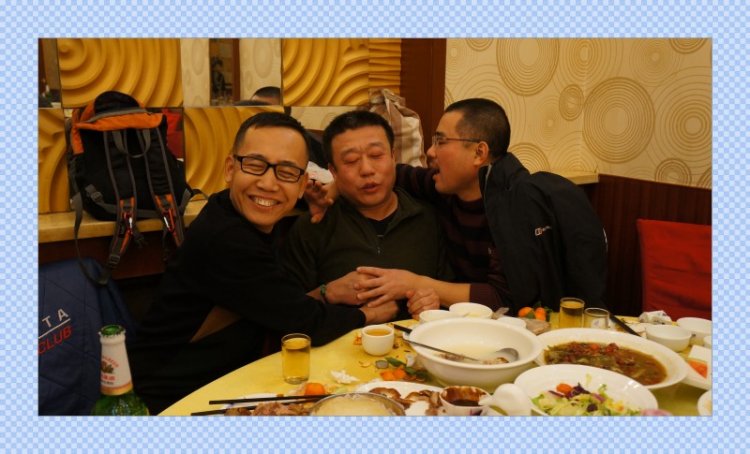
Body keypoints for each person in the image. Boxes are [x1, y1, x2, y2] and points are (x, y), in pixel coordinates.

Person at [129, 112, 398, 414]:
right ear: (230, 168)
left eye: (286, 172)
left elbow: (275, 302)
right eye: (255, 165)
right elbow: (305, 323)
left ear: (302, 184)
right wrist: (370, 314)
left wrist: (328, 290)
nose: (268, 183)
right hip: (170, 405)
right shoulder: (225, 240)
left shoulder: (227, 208)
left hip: (223, 384)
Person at [282, 110, 451, 320]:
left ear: (393, 157)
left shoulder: (428, 218)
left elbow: (449, 297)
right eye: (351, 160)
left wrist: (431, 303)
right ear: (333, 171)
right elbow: (286, 312)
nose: (367, 169)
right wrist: (327, 293)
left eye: (376, 155)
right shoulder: (314, 225)